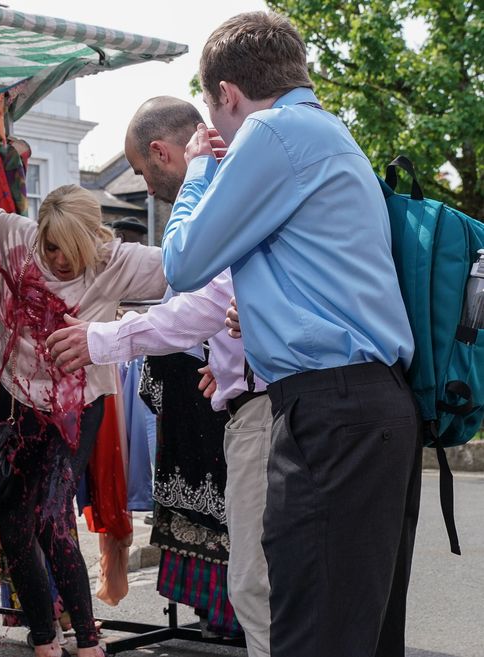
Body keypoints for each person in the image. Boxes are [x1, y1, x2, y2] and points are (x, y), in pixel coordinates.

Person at [159, 12, 421, 657]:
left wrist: (197, 172)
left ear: (227, 94)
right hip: (371, 404)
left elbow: (184, 262)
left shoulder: (271, 132)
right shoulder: (329, 132)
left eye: (216, 116)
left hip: (330, 412)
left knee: (310, 632)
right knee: (357, 631)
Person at [46, 96, 273, 657]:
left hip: (269, 407)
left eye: (146, 173)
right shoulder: (250, 187)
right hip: (249, 393)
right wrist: (236, 366)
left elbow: (191, 289)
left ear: (162, 153)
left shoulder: (216, 197)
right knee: (270, 572)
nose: (145, 188)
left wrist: (103, 337)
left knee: (260, 581)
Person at [0, 185, 167, 657]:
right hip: (16, 405)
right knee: (16, 526)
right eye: (52, 247)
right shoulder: (21, 238)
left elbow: (183, 264)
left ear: (93, 241)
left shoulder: (115, 261)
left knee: (53, 520)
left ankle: (88, 641)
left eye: (71, 250)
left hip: (77, 410)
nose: (59, 260)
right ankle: (44, 638)